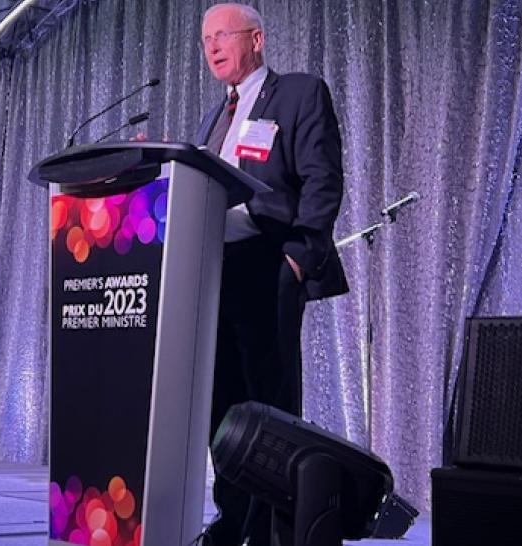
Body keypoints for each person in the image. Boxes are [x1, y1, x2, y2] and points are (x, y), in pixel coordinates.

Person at [195, 4, 348, 545]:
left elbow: (322, 178)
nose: (211, 46)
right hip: (214, 273)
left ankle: (272, 531)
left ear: (256, 39)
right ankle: (233, 519)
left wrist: (299, 257)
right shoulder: (216, 116)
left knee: (270, 404)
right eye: (205, 38)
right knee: (223, 408)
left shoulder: (300, 92)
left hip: (269, 266)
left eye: (222, 35)